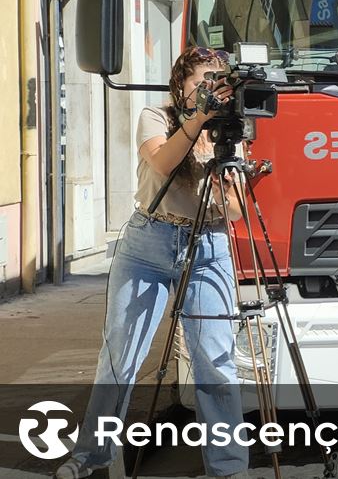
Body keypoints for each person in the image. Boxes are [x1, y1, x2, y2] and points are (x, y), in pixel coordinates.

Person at [56, 47, 250, 479]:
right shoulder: (156, 116)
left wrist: (228, 179)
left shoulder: (226, 132)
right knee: (121, 354)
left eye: (216, 83)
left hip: (207, 244)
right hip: (150, 241)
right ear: (179, 84)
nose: (208, 90)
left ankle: (229, 468)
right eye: (201, 81)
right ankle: (93, 455)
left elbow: (235, 212)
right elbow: (161, 162)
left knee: (215, 362)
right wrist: (197, 120)